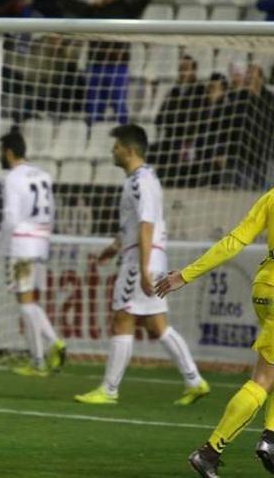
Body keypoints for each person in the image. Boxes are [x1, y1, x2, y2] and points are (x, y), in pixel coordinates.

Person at [156, 132, 274, 477]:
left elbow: (234, 241)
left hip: (265, 286)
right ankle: (209, 452)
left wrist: (187, 274)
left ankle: (271, 437)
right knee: (263, 378)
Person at [75, 125, 210, 406]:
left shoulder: (140, 181)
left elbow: (147, 225)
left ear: (129, 150)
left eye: (116, 146)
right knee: (157, 325)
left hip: (141, 260)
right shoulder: (143, 179)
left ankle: (109, 389)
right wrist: (113, 249)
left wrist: (144, 268)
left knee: (122, 316)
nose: (113, 151)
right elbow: (135, 226)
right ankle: (195, 381)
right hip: (145, 255)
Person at [0, 129, 65, 377]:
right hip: (41, 243)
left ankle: (47, 351)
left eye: (1, 152)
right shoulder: (43, 175)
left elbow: (11, 219)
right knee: (29, 300)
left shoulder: (12, 178)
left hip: (22, 245)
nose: (0, 156)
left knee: (25, 302)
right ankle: (44, 354)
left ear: (8, 153)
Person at [153, 55, 207, 188]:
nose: (182, 71)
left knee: (187, 179)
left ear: (194, 71)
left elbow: (201, 116)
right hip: (172, 141)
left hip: (191, 142)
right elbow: (160, 117)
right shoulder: (173, 91)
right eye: (180, 68)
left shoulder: (200, 91)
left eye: (186, 68)